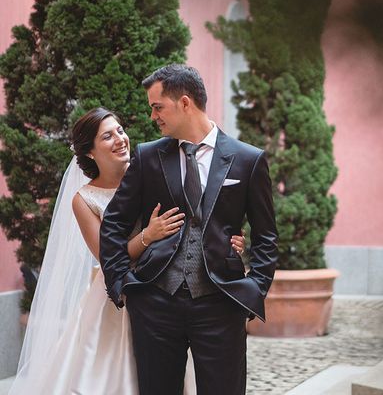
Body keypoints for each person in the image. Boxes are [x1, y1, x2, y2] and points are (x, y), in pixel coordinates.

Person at [8, 107, 246, 394]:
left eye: (120, 130)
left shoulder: (152, 171)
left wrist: (228, 241)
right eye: (107, 136)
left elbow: (194, 219)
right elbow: (106, 256)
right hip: (117, 295)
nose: (120, 139)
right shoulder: (84, 200)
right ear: (90, 152)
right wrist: (148, 235)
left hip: (166, 284)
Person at [100, 63, 279, 395]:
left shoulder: (247, 160)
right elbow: (113, 222)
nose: (153, 116)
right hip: (155, 302)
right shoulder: (148, 156)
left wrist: (253, 290)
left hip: (221, 302)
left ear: (184, 102)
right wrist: (121, 281)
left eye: (158, 107)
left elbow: (267, 235)